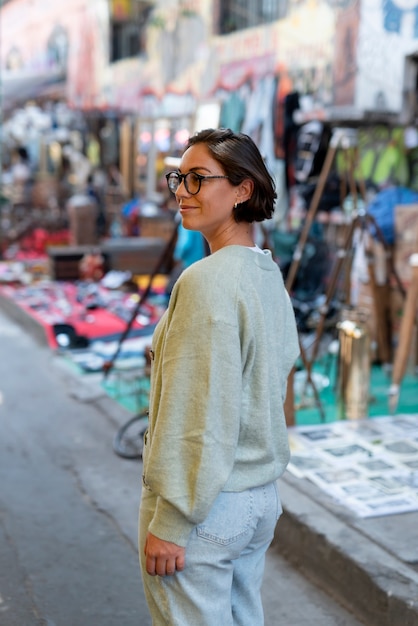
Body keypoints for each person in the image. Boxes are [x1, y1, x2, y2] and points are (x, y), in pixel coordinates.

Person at [139, 127, 300, 626]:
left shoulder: (206, 280)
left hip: (207, 506)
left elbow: (198, 413)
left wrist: (172, 519)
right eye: (178, 179)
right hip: (257, 500)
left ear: (243, 189)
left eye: (198, 179)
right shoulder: (266, 273)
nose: (183, 193)